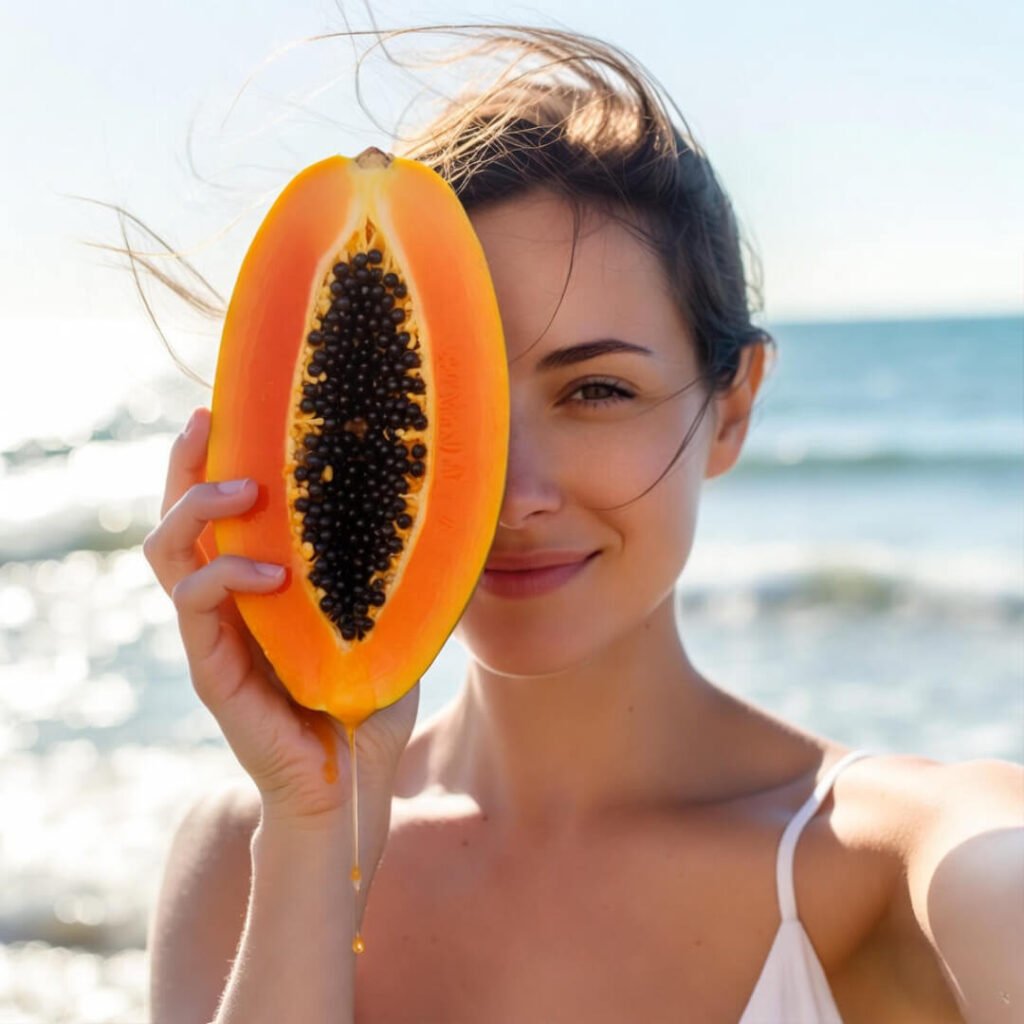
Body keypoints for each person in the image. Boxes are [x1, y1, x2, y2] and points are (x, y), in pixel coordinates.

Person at [140, 24, 1022, 1024]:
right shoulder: (245, 861)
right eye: (435, 404)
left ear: (731, 407)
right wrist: (312, 819)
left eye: (597, 389)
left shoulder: (905, 857)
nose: (517, 494)